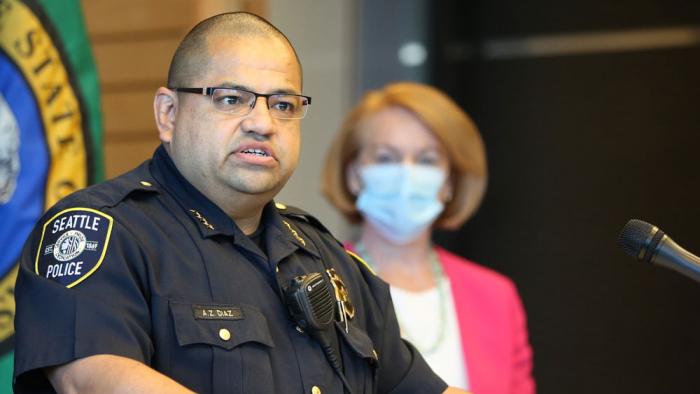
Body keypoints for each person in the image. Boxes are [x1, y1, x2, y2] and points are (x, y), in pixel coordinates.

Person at [12, 12, 468, 394]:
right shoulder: (102, 232)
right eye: (232, 99)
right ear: (168, 114)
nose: (263, 124)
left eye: (284, 106)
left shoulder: (326, 258)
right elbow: (92, 380)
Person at [322, 82, 536, 394]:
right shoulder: (319, 280)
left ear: (449, 182)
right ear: (354, 174)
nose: (407, 174)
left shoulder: (496, 297)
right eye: (386, 158)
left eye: (426, 160)